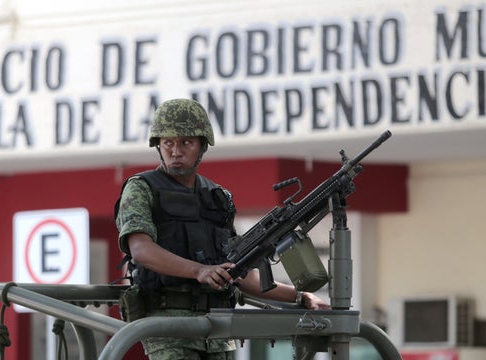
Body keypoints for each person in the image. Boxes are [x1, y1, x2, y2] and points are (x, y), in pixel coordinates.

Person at [115, 98, 329, 360]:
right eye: (167, 142)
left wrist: (300, 296)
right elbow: (140, 249)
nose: (175, 151)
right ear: (158, 145)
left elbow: (241, 274)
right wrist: (200, 271)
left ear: (202, 146)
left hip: (218, 331)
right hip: (169, 328)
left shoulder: (218, 197)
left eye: (186, 142)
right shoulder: (141, 188)